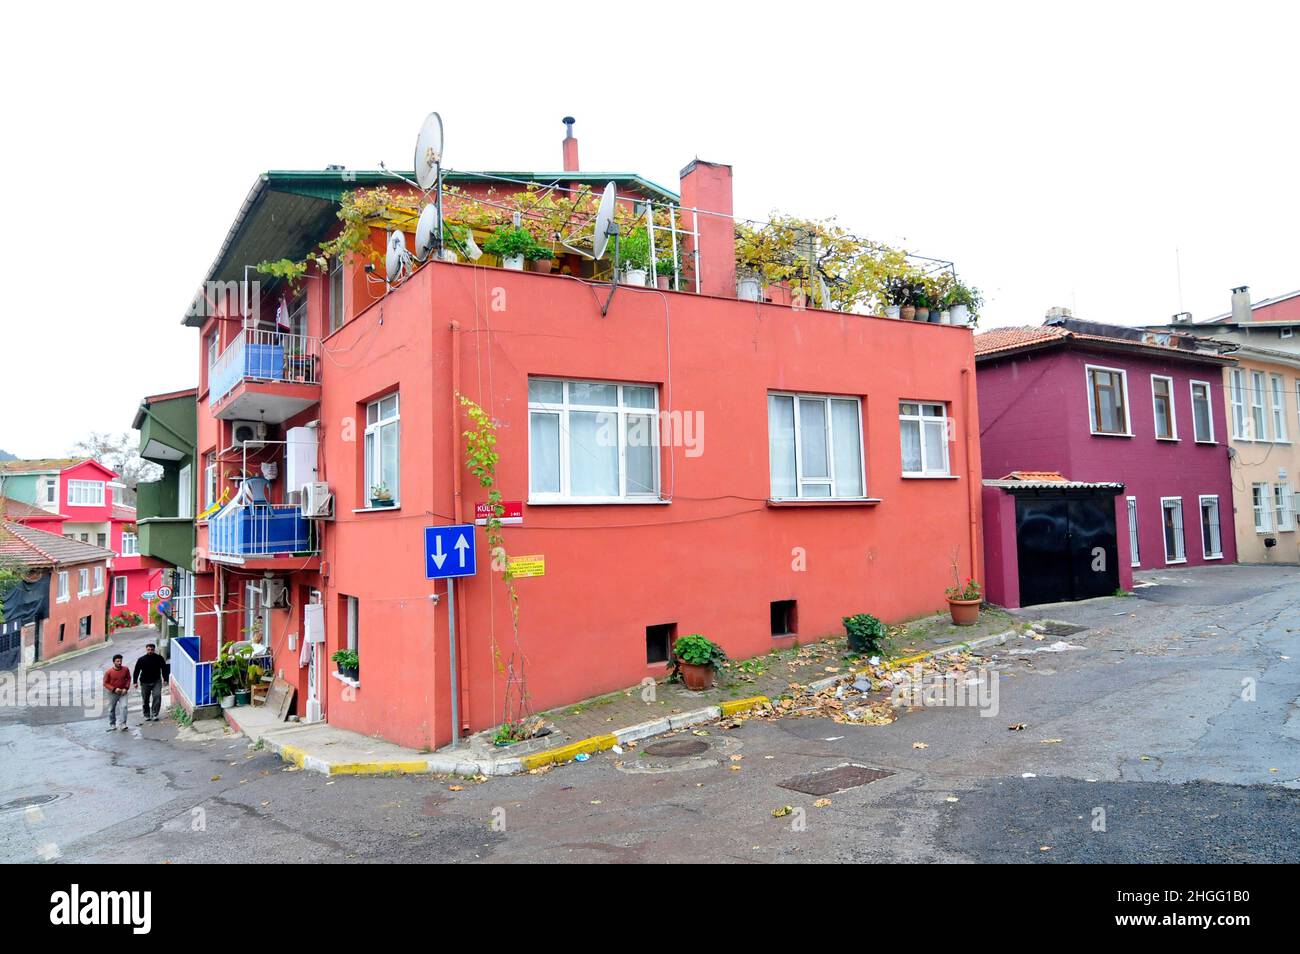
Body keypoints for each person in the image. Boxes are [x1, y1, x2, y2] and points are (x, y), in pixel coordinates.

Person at [133, 643, 166, 723]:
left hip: (156, 681)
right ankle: (147, 714)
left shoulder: (159, 658)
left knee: (157, 696)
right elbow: (136, 670)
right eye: (148, 649)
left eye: (151, 649)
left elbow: (164, 669)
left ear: (154, 650)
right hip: (144, 682)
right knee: (145, 700)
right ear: (146, 650)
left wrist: (165, 679)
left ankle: (155, 714)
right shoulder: (141, 659)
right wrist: (135, 681)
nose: (150, 651)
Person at [102, 654, 130, 731]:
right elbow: (105, 683)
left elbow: (128, 678)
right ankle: (112, 724)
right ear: (114, 662)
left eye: (120, 661)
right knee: (111, 709)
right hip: (112, 693)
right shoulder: (109, 672)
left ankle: (123, 723)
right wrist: (114, 689)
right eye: (117, 661)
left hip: (123, 692)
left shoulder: (126, 669)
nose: (119, 662)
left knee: (124, 707)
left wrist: (126, 688)